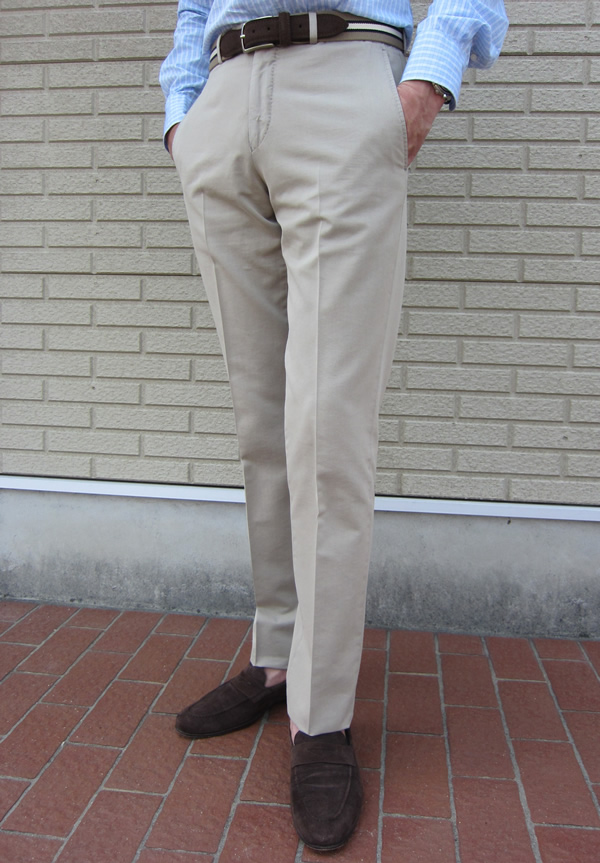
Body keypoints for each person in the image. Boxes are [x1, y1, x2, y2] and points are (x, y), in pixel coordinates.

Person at [160, 0, 508, 850]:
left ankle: (321, 714)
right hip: (223, 99)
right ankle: (277, 656)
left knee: (329, 431)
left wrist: (428, 79)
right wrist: (182, 111)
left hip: (347, 74)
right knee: (261, 419)